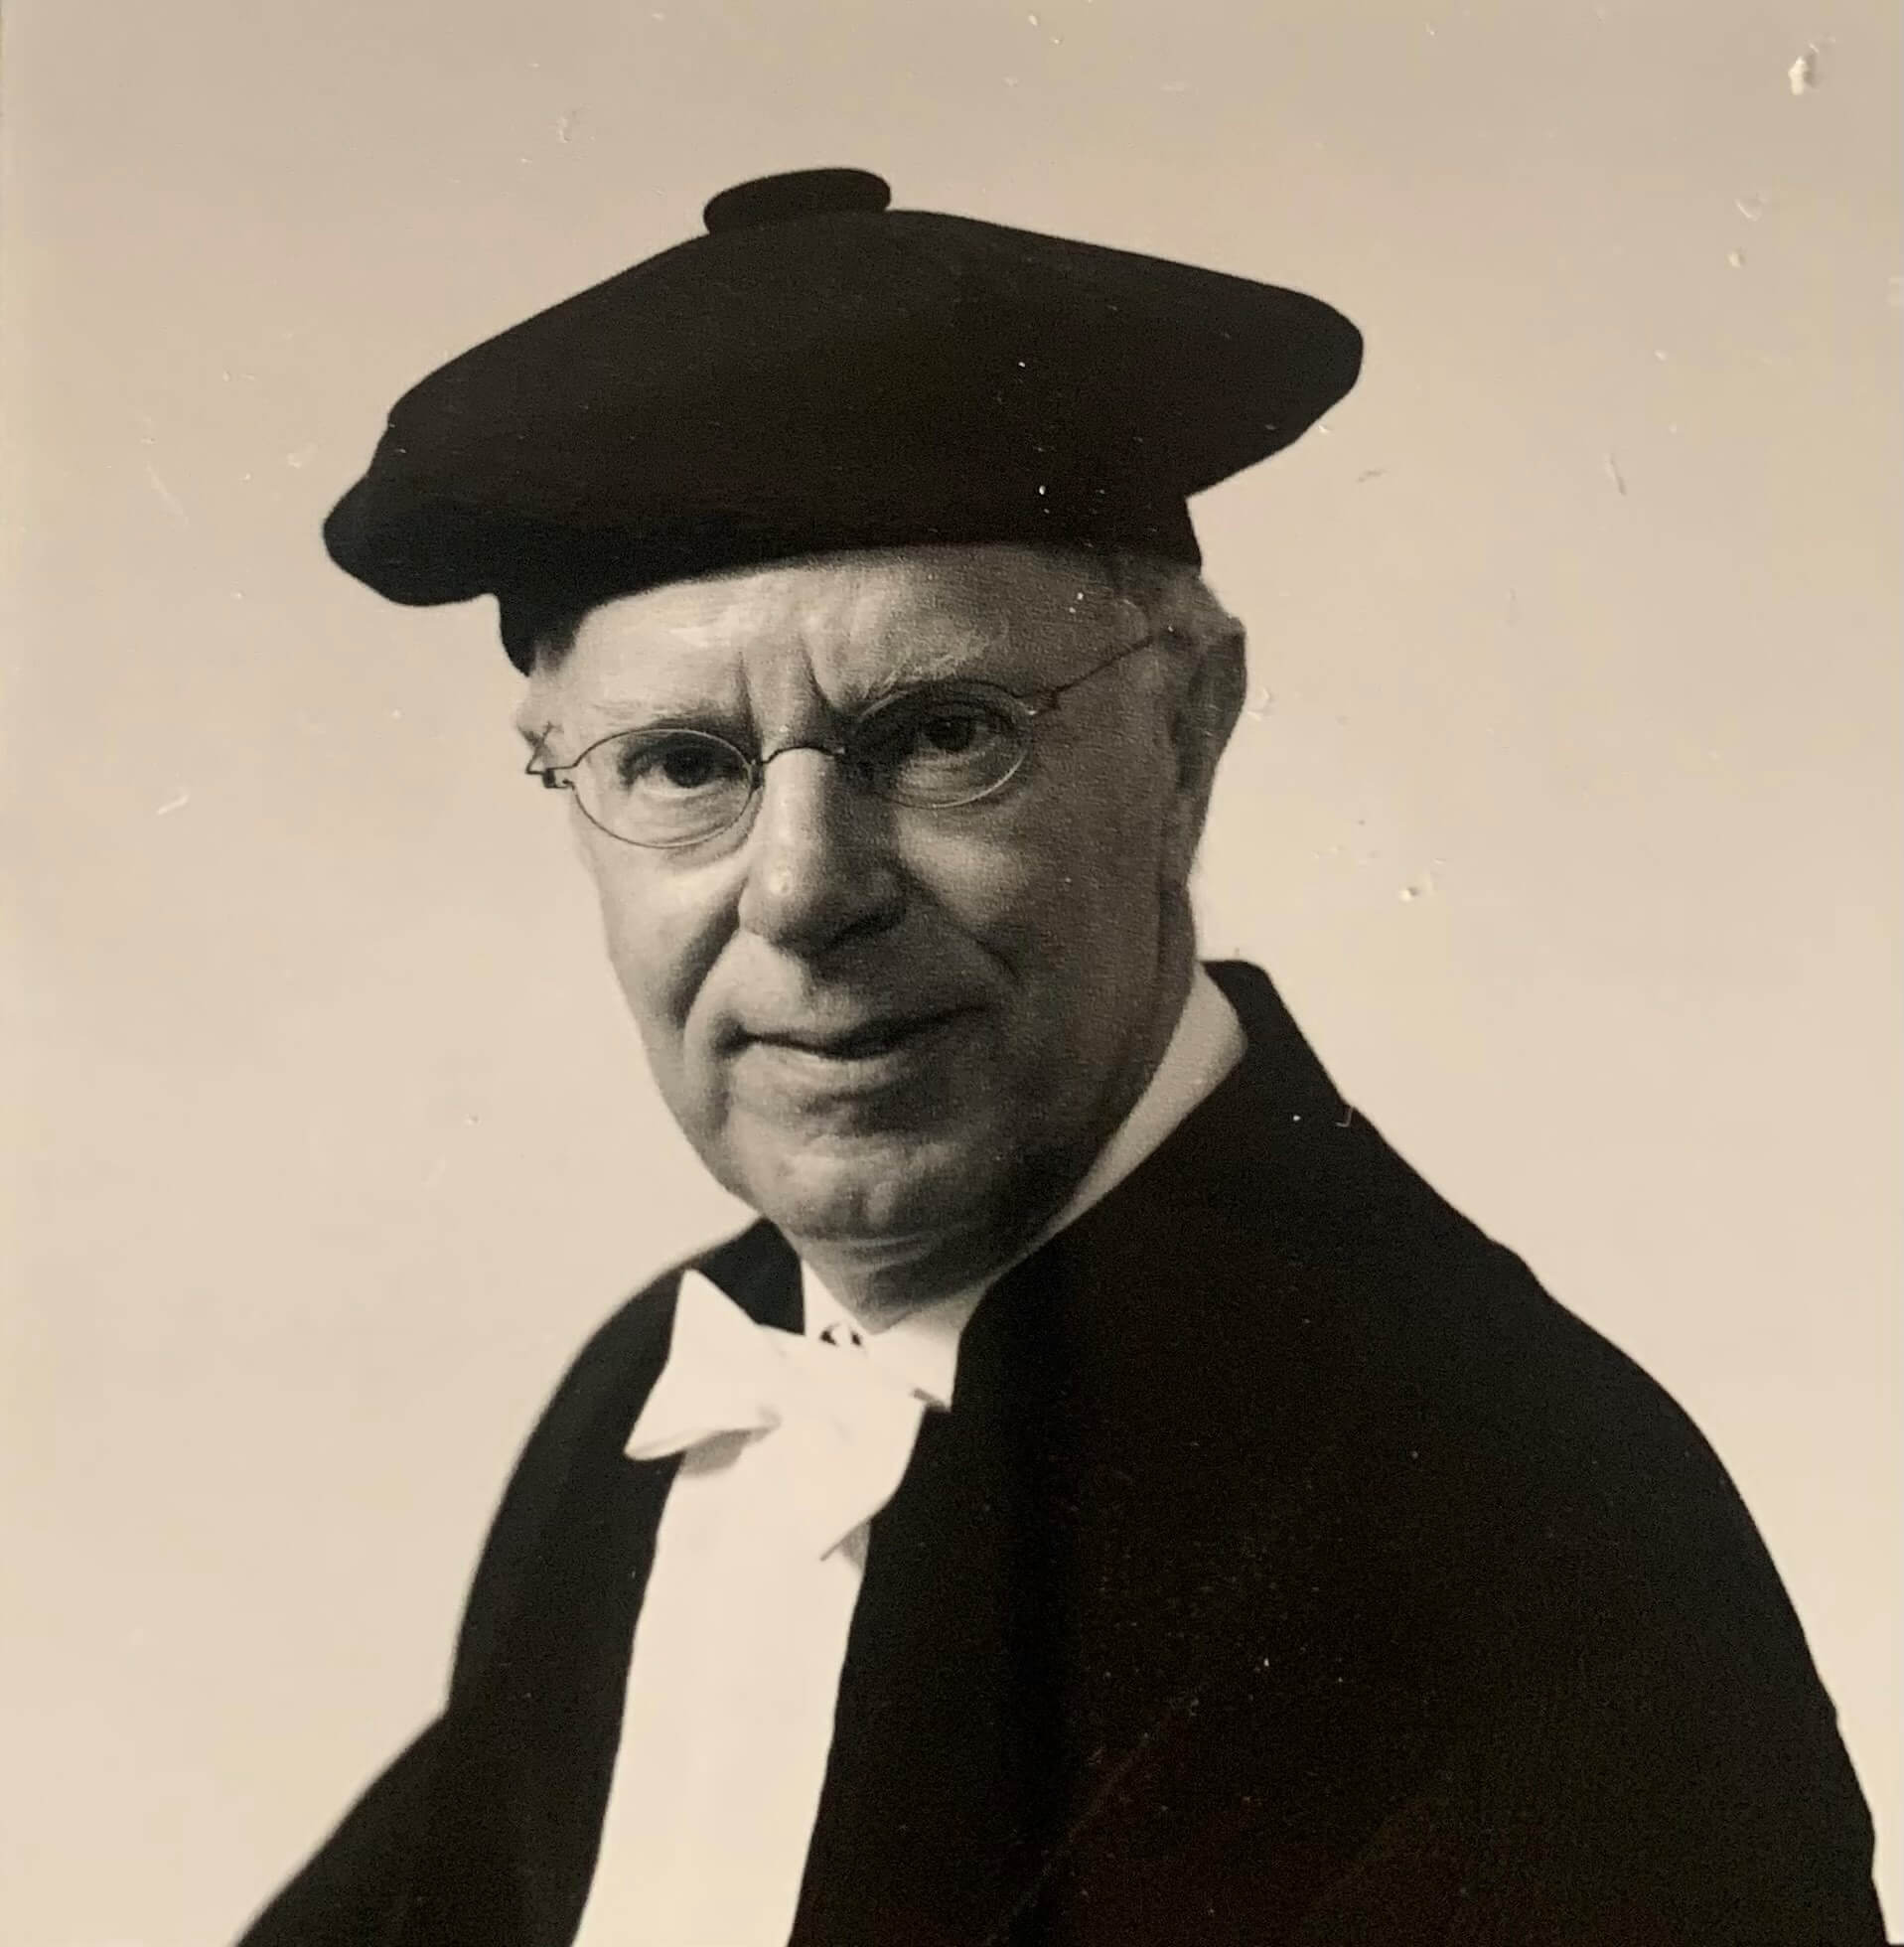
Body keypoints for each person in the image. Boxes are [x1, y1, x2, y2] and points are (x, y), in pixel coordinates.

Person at [235, 169, 1886, 1946]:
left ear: (1187, 738)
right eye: (682, 768)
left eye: (941, 735)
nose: (802, 894)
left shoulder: (1518, 1537)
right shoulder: (649, 1398)